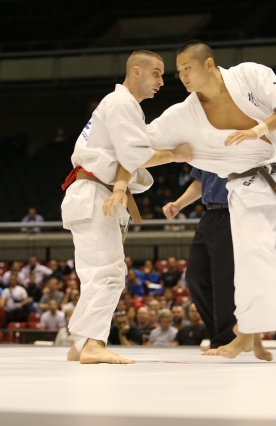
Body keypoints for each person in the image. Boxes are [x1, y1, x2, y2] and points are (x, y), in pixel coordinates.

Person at [144, 40, 276, 360]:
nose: (182, 76)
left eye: (187, 68)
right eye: (178, 71)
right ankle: (242, 334)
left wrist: (258, 129)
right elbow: (138, 145)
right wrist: (164, 157)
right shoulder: (184, 114)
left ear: (208, 64)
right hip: (245, 189)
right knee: (255, 256)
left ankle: (251, 329)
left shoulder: (249, 75)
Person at [64, 50, 192, 364]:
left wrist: (122, 185)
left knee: (98, 274)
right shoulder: (122, 103)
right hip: (94, 192)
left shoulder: (120, 104)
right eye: (156, 73)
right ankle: (93, 343)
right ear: (136, 71)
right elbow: (134, 156)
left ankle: (80, 344)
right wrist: (176, 154)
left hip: (94, 191)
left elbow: (127, 159)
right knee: (108, 274)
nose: (161, 81)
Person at [162, 166, 237, 353]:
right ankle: (219, 335)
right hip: (209, 214)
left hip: (233, 213)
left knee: (223, 281)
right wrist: (178, 204)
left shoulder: (240, 147)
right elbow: (201, 182)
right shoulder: (203, 149)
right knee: (195, 277)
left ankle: (226, 338)